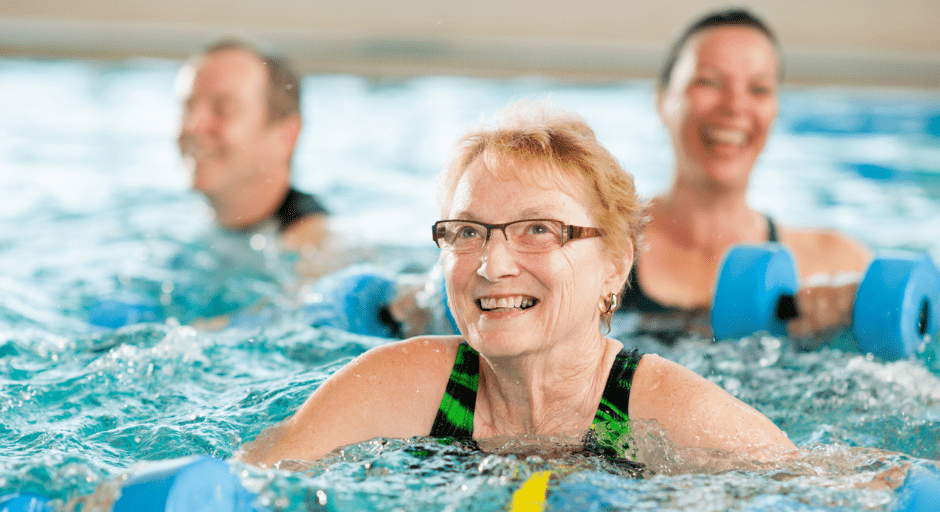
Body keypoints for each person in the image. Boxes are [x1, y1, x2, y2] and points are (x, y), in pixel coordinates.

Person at [238, 101, 796, 469]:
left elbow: (829, 496)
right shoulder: (398, 388)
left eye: (538, 229)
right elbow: (251, 481)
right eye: (468, 232)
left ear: (614, 265)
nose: (493, 263)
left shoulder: (673, 415)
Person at [620, 9, 871, 338]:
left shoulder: (836, 265)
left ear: (775, 111)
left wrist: (855, 315)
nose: (735, 106)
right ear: (663, 101)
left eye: (759, 89)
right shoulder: (601, 249)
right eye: (708, 81)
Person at [176, 39, 329, 252]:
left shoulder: (316, 252)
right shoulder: (189, 221)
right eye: (188, 107)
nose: (192, 126)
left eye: (223, 109)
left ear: (286, 135)